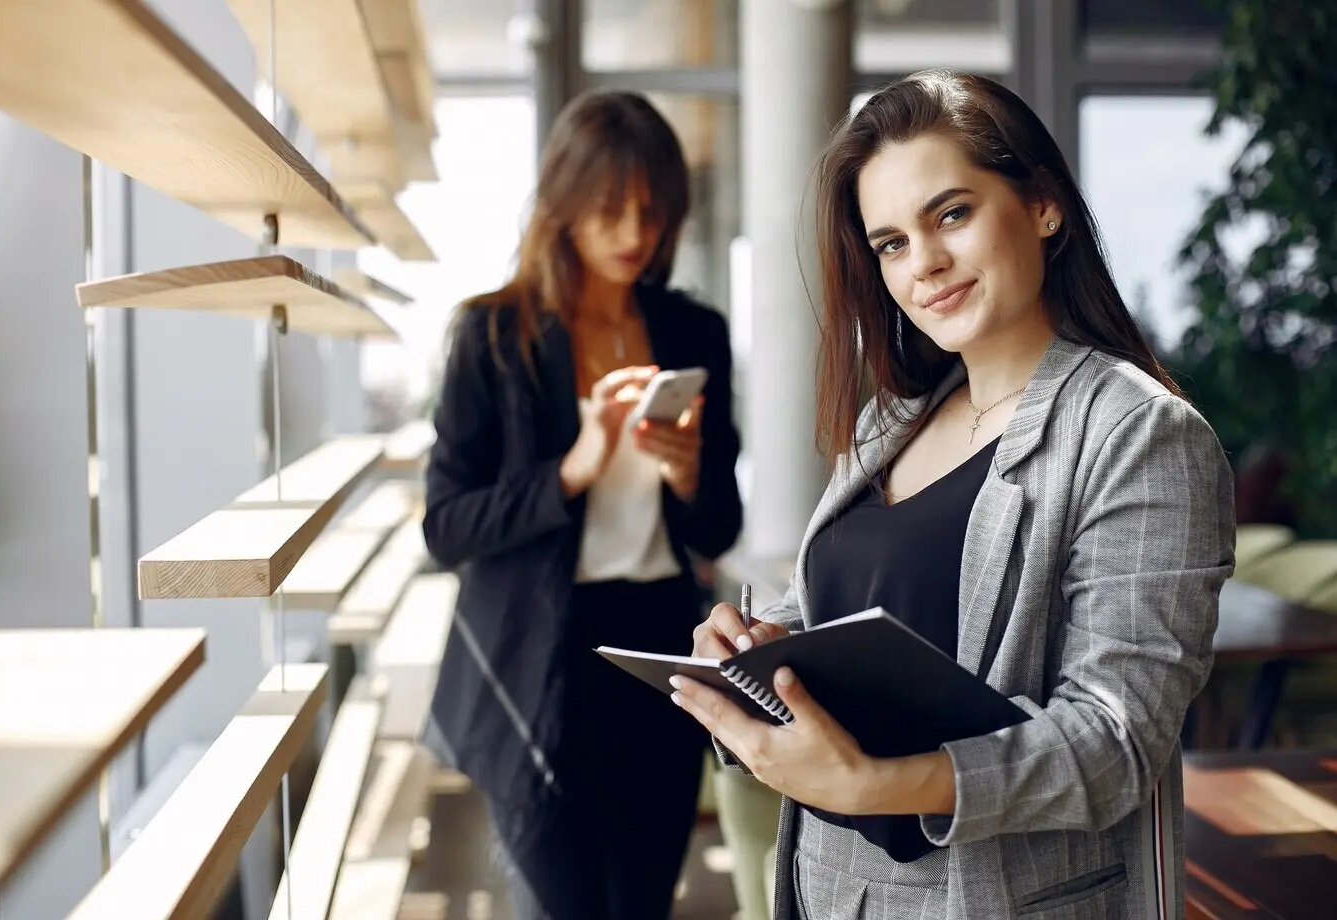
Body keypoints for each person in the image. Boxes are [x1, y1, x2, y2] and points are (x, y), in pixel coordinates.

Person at [672, 70, 1235, 920]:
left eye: (952, 214)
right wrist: (765, 643)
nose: (923, 263)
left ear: (1043, 206)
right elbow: (836, 608)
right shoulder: (892, 417)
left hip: (994, 898)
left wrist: (877, 785)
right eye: (891, 242)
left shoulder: (1140, 434)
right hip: (829, 888)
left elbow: (1117, 740)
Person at [420, 89, 743, 920]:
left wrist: (686, 474)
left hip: (661, 657)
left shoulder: (693, 334)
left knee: (641, 904)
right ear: (562, 205)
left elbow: (719, 527)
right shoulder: (493, 336)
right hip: (539, 657)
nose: (635, 233)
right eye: (609, 209)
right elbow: (446, 524)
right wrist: (575, 466)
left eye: (651, 210)